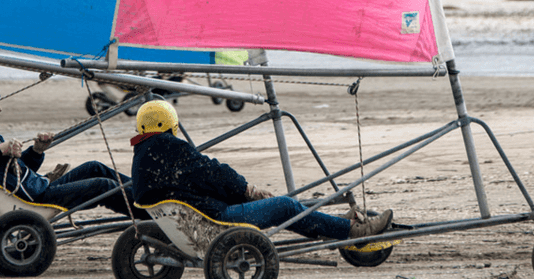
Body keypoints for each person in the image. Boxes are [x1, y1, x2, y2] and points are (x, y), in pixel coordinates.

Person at [129, 100, 392, 240]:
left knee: (283, 206)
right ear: (169, 123)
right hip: (215, 221)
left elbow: (194, 180)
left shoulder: (142, 155)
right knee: (285, 206)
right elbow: (212, 172)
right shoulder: (171, 147)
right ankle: (354, 231)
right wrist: (246, 190)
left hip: (189, 221)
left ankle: (336, 224)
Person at [0, 77, 138, 215]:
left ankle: (142, 194)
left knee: (95, 167)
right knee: (104, 186)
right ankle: (147, 213)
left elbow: (14, 172)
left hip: (36, 188)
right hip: (36, 198)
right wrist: (0, 149)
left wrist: (36, 151)